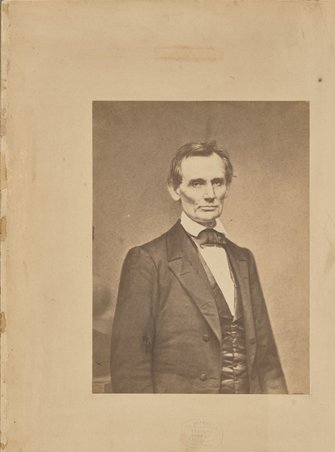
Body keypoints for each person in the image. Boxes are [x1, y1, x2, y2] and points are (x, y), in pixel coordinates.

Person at [110, 141, 288, 394]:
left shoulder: (244, 259)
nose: (210, 194)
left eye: (217, 182)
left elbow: (267, 362)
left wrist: (281, 413)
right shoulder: (148, 260)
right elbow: (129, 369)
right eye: (197, 183)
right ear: (174, 189)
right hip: (182, 412)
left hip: (245, 410)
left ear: (227, 187)